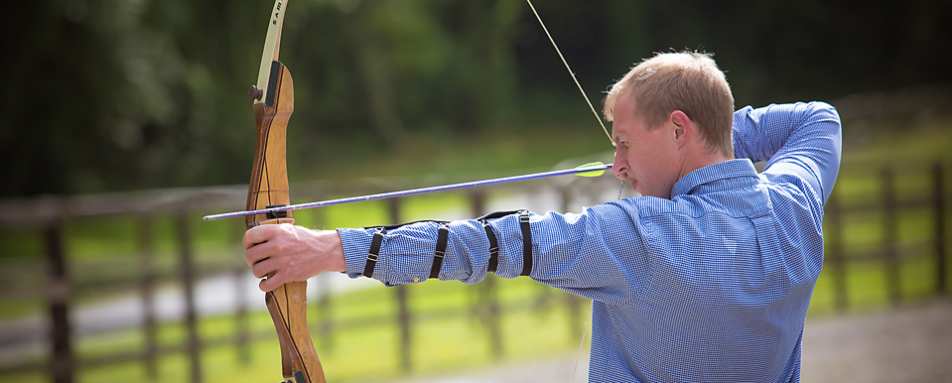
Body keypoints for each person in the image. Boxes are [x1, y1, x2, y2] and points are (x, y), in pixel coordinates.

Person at [243, 51, 842, 382]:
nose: (619, 164)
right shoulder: (794, 206)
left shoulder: (636, 236)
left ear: (678, 130)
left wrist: (328, 249)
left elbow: (483, 243)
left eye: (625, 143)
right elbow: (819, 118)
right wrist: (720, 141)